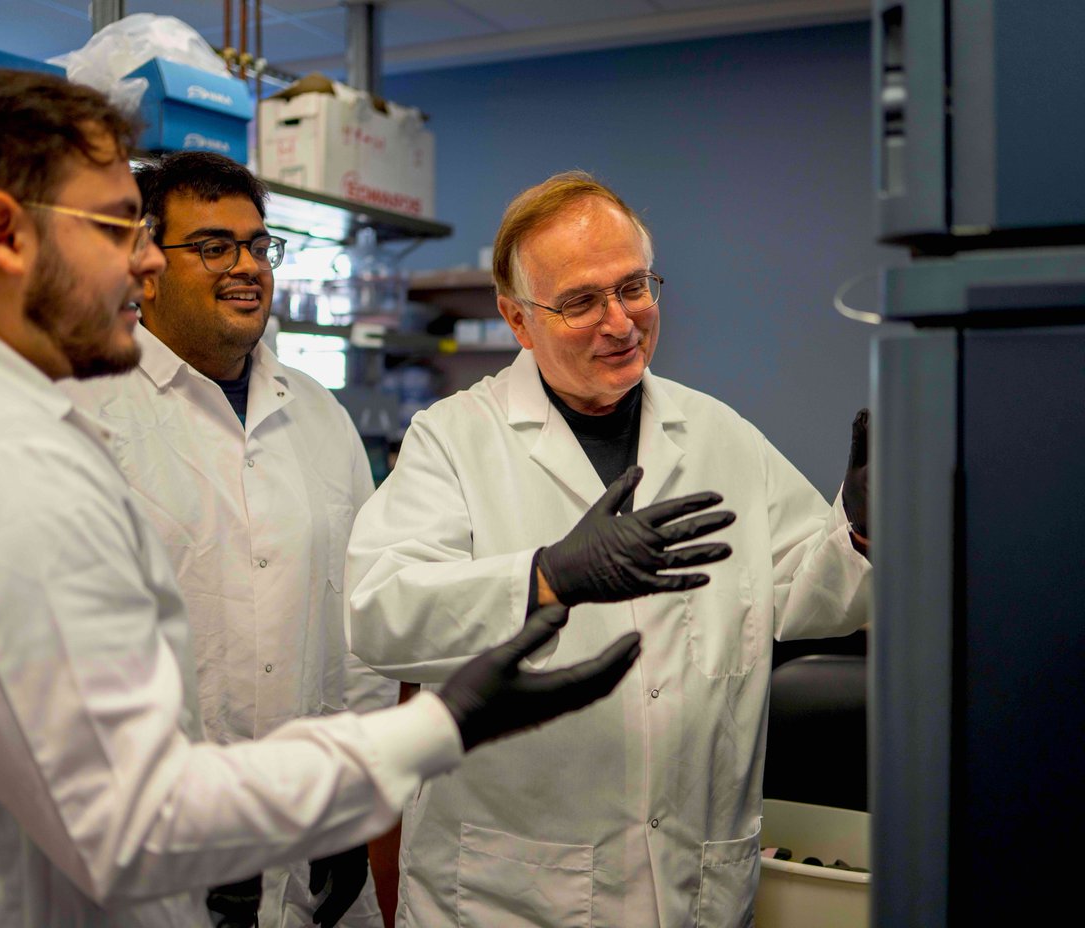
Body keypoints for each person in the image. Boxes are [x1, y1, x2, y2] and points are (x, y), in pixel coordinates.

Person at [0, 70, 644, 928]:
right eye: (114, 228)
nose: (141, 263)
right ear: (2, 233)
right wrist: (437, 728)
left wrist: (335, 806)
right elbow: (134, 817)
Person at [345, 171, 873, 927]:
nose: (620, 322)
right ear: (517, 320)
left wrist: (860, 530)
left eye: (633, 287)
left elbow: (797, 592)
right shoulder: (454, 440)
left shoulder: (717, 433)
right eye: (581, 301)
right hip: (513, 895)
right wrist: (545, 578)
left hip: (693, 883)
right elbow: (379, 615)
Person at [61, 151, 395, 928]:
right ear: (145, 266)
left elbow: (362, 629)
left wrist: (359, 806)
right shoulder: (82, 409)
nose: (247, 267)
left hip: (304, 843)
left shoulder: (320, 414)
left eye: (258, 245)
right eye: (213, 246)